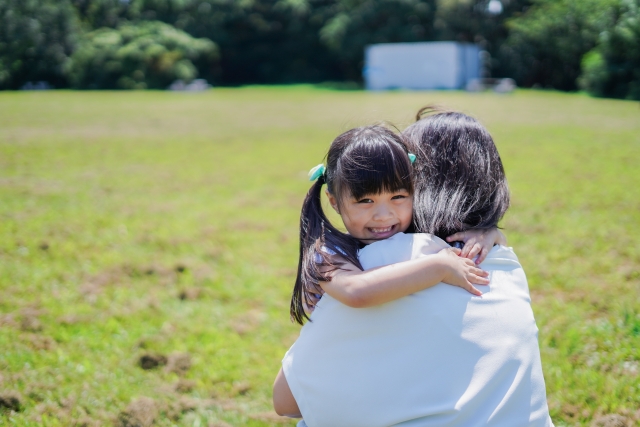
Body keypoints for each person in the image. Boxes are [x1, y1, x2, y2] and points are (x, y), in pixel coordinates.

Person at [273, 109, 553, 426]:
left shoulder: (392, 258)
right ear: (335, 202)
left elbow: (286, 401)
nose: (383, 216)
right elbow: (356, 291)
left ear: (418, 185)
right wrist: (473, 245)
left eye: (399, 195)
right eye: (365, 201)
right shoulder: (504, 263)